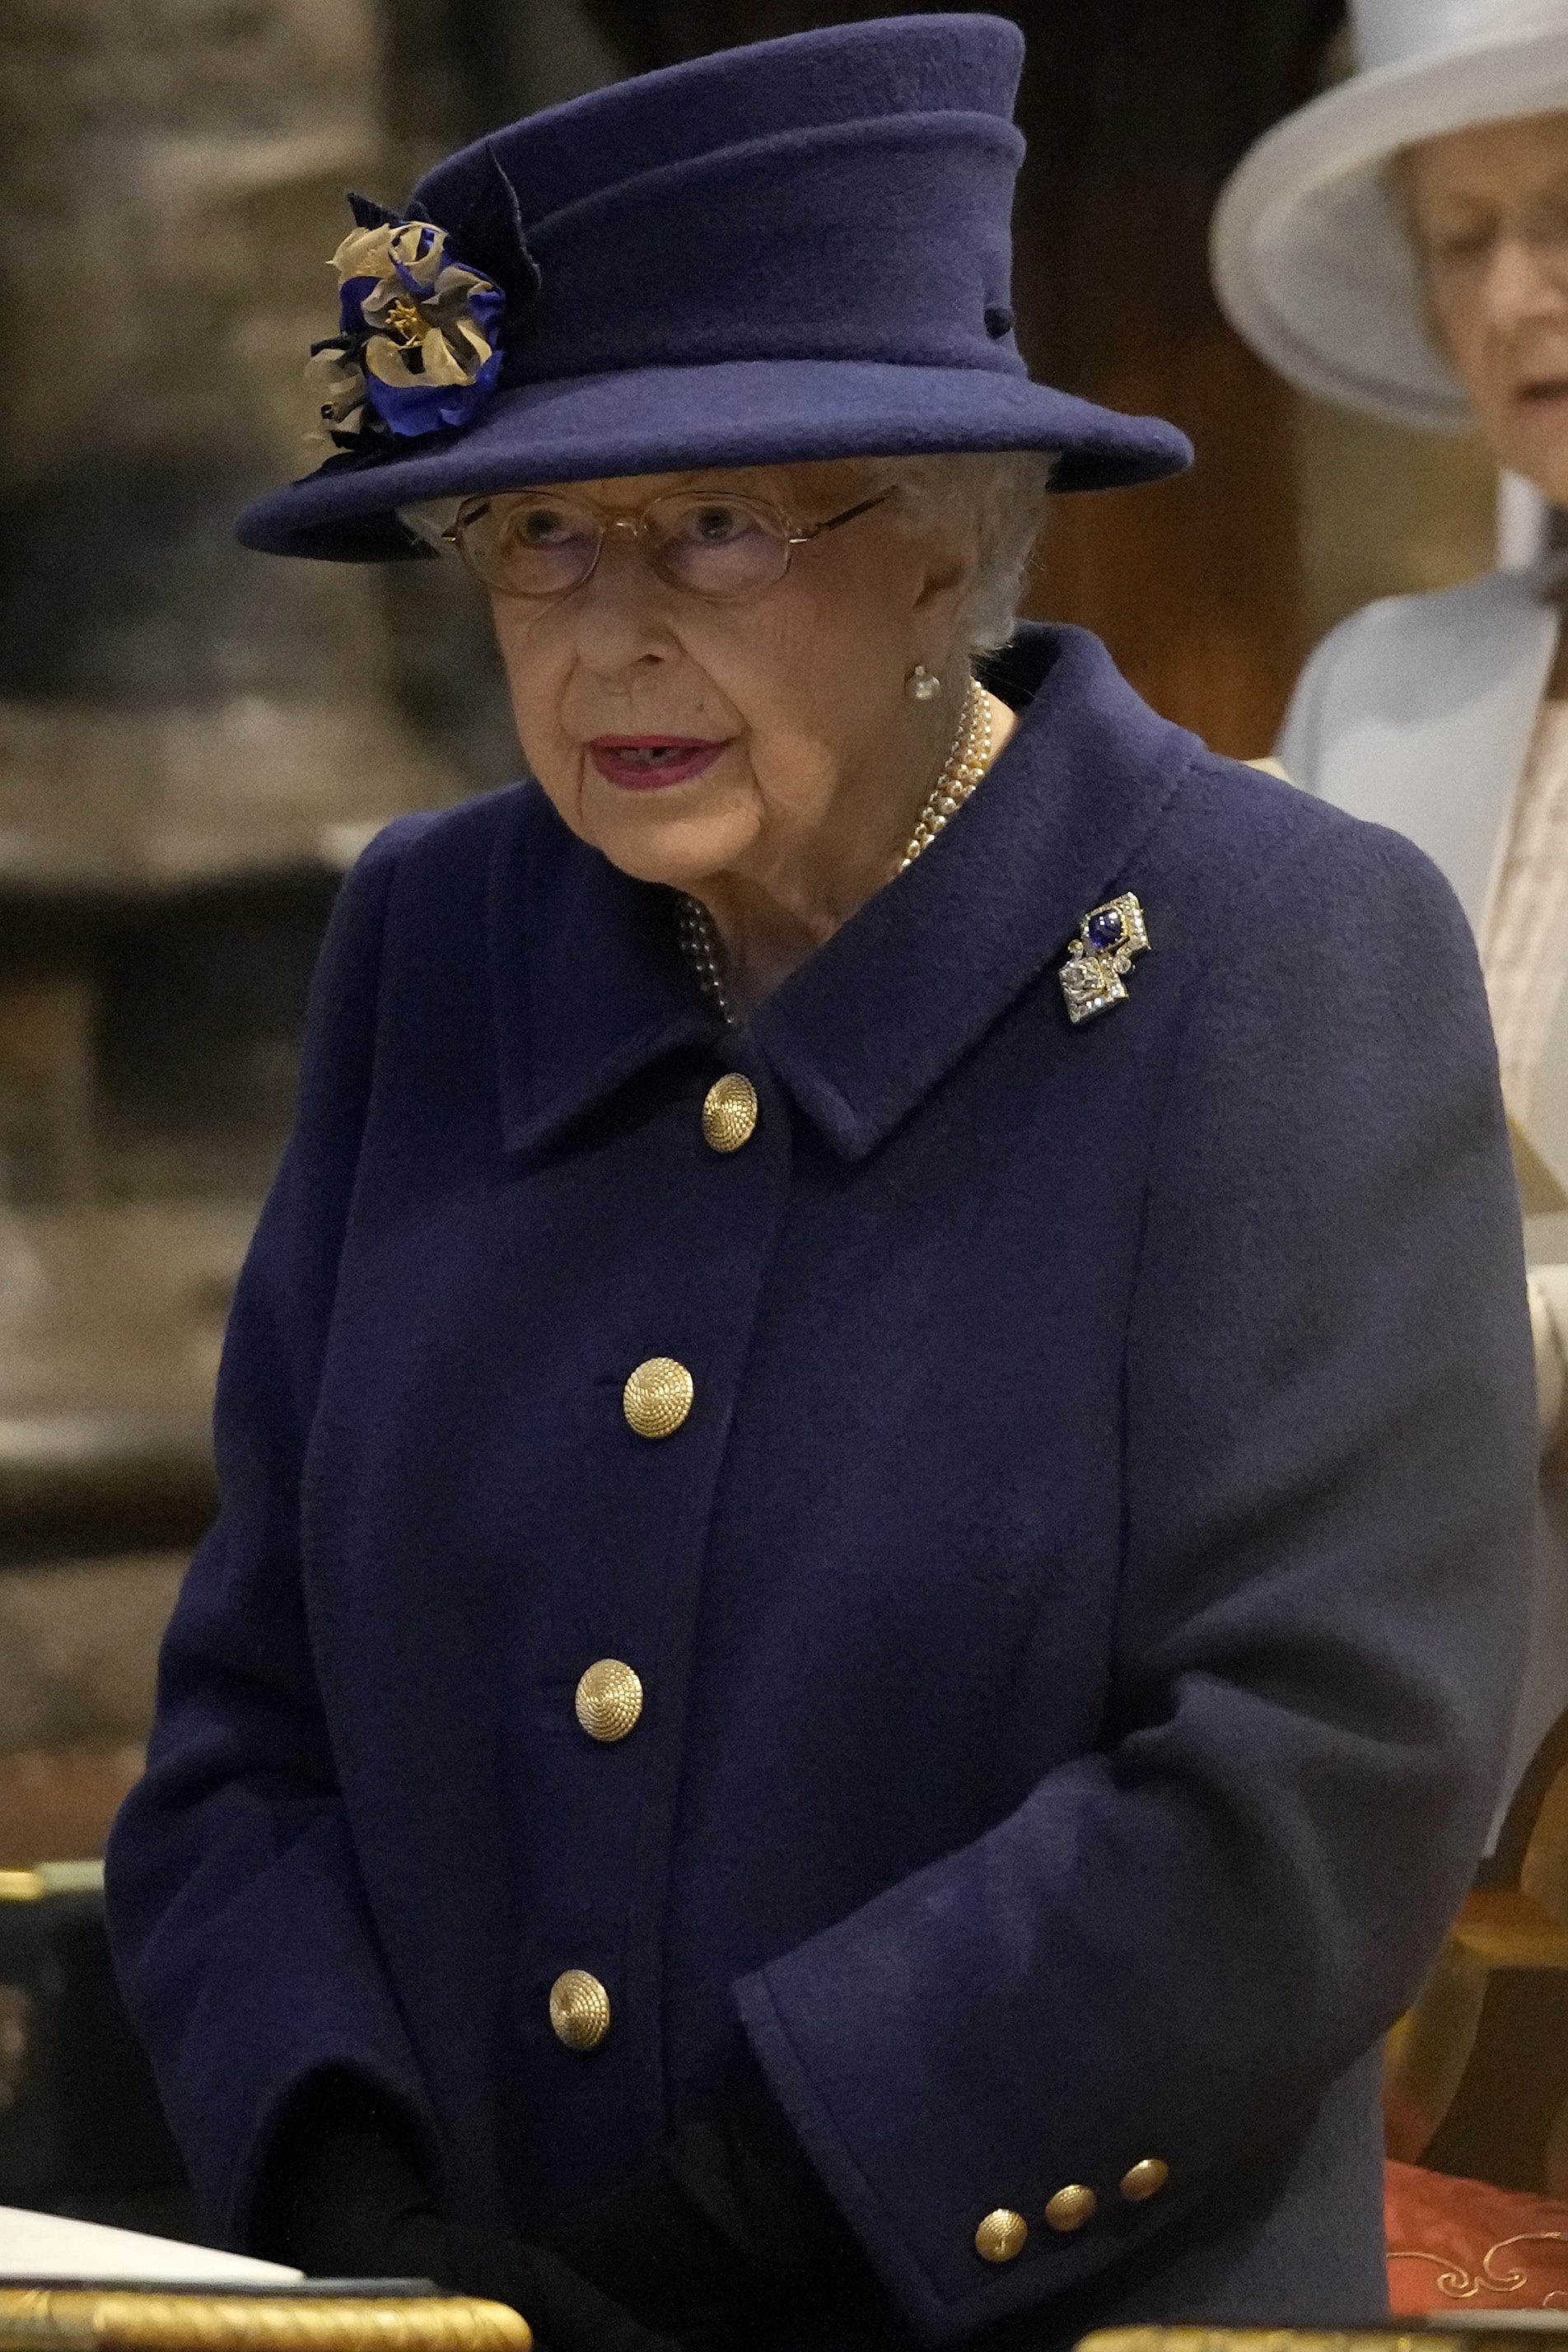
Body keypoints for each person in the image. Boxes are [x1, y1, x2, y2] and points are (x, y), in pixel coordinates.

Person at [105, 16, 1533, 2351]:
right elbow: (247, 1723)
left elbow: (1321, 1781)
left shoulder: (1274, 956)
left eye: (717, 527)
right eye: (535, 535)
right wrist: (356, 2218)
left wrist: (755, 2215)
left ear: (948, 535)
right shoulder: (436, 941)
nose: (604, 636)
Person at [1214, 0, 1568, 1824]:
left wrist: (1467, 1337)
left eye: (1566, 215)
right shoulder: (1379, 683)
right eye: (1464, 238)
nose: (1518, 292)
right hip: (1389, 1697)